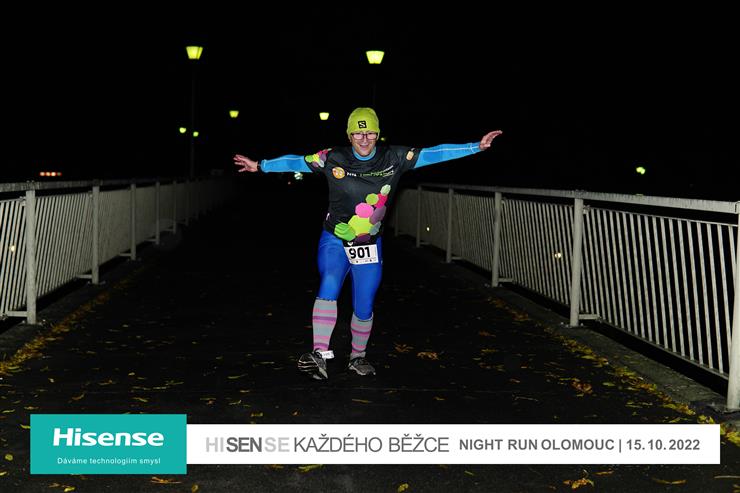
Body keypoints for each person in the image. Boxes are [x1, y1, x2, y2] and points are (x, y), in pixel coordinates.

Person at [234, 107, 502, 380]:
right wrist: (261, 165)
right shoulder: (332, 157)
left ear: (378, 134)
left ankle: (357, 357)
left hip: (369, 245)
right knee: (329, 282)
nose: (364, 139)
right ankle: (319, 355)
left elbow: (435, 153)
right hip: (335, 239)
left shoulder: (395, 157)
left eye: (370, 133)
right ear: (349, 135)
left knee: (363, 304)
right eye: (358, 133)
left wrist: (475, 147)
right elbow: (296, 161)